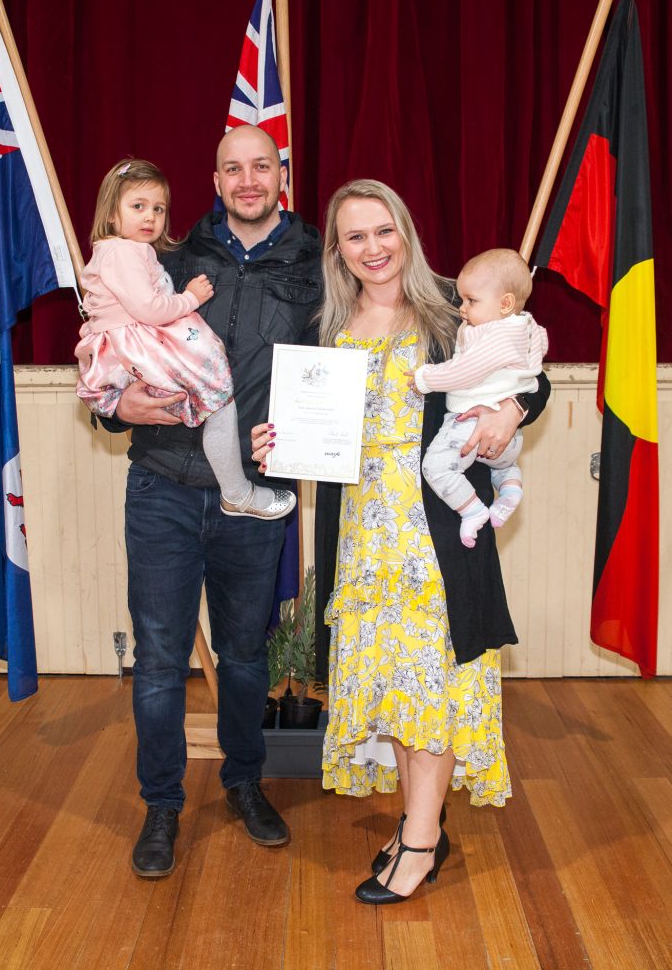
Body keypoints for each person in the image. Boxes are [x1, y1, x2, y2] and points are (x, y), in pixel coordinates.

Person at [265, 179, 548, 905]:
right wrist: (278, 442)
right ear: (338, 250)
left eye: (384, 230)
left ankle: (420, 843)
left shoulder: (457, 308)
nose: (373, 248)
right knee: (394, 685)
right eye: (355, 236)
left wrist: (512, 410)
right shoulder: (327, 325)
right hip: (361, 540)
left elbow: (532, 372)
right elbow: (312, 430)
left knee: (433, 686)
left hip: (436, 536)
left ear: (406, 233)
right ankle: (421, 822)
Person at [97, 127, 322, 877]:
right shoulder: (166, 256)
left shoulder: (320, 263)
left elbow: (364, 354)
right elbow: (108, 347)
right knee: (161, 660)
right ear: (216, 180)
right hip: (161, 486)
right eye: (233, 168)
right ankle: (162, 805)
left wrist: (513, 395)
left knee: (246, 655)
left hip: (253, 497)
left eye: (261, 166)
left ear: (281, 175)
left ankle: (244, 783)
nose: (247, 180)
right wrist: (117, 406)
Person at [75, 158, 296, 521]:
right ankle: (237, 492)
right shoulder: (122, 252)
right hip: (143, 353)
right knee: (219, 400)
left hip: (141, 345)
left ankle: (234, 487)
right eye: (137, 206)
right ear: (112, 214)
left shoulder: (131, 250)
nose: (150, 217)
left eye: (158, 209)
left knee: (214, 400)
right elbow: (149, 309)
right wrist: (190, 298)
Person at [408, 247, 549, 547]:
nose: (462, 309)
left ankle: (472, 511)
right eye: (462, 300)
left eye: (471, 301)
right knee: (501, 466)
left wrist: (424, 378)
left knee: (436, 467)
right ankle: (510, 487)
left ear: (505, 303)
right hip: (505, 445)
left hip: (472, 428)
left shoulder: (494, 336)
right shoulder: (525, 326)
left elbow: (464, 370)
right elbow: (537, 357)